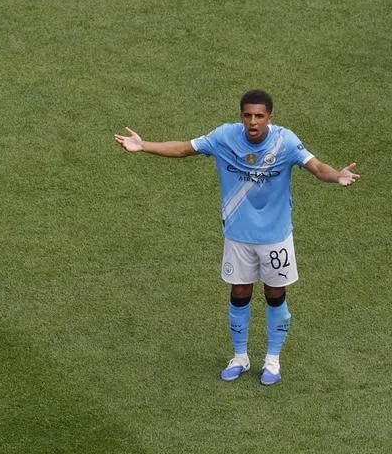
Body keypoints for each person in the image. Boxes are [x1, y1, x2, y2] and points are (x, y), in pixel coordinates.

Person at [114, 90, 359, 385]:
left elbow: (317, 167)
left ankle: (272, 360)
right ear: (241, 115)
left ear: (270, 116)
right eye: (247, 115)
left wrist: (336, 175)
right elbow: (183, 149)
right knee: (240, 292)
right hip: (238, 236)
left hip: (275, 237)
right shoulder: (224, 137)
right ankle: (240, 357)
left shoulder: (286, 141)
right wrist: (144, 146)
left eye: (259, 116)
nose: (253, 122)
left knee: (275, 294)